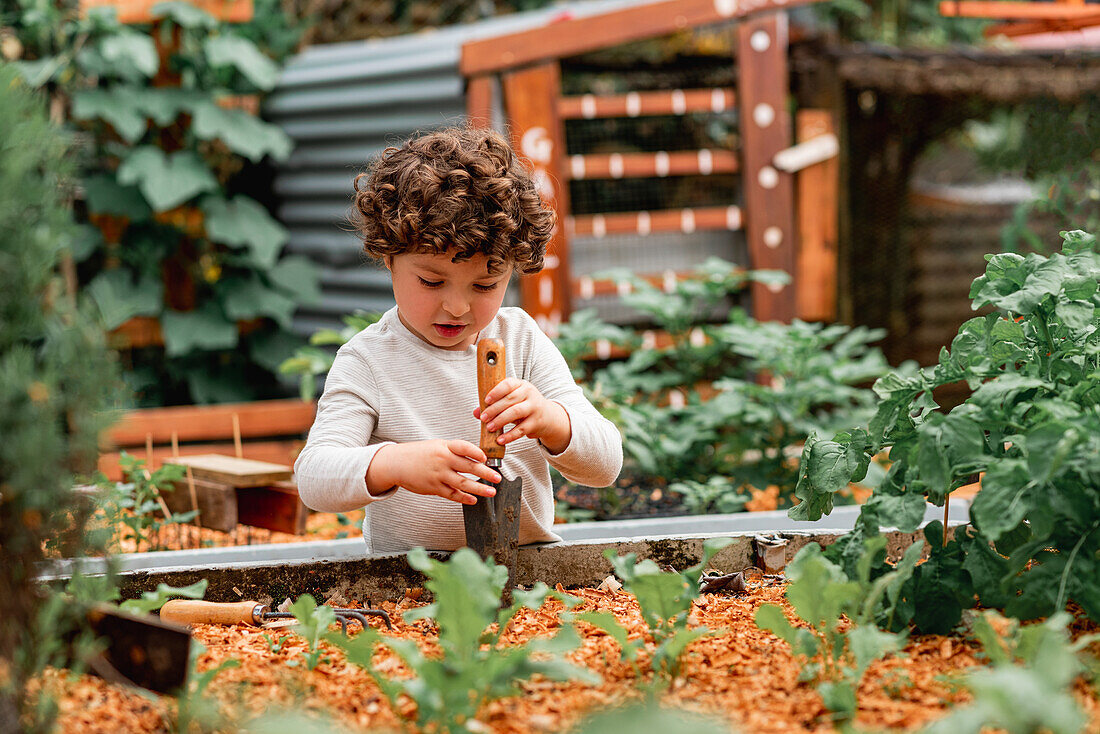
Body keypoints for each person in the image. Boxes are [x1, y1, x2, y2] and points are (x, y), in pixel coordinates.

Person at [294, 127, 623, 554]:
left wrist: (551, 420)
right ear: (388, 258)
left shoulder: (520, 341)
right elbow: (314, 477)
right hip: (408, 582)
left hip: (528, 574)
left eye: (485, 286)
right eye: (432, 281)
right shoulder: (368, 360)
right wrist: (393, 464)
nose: (457, 307)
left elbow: (606, 465)